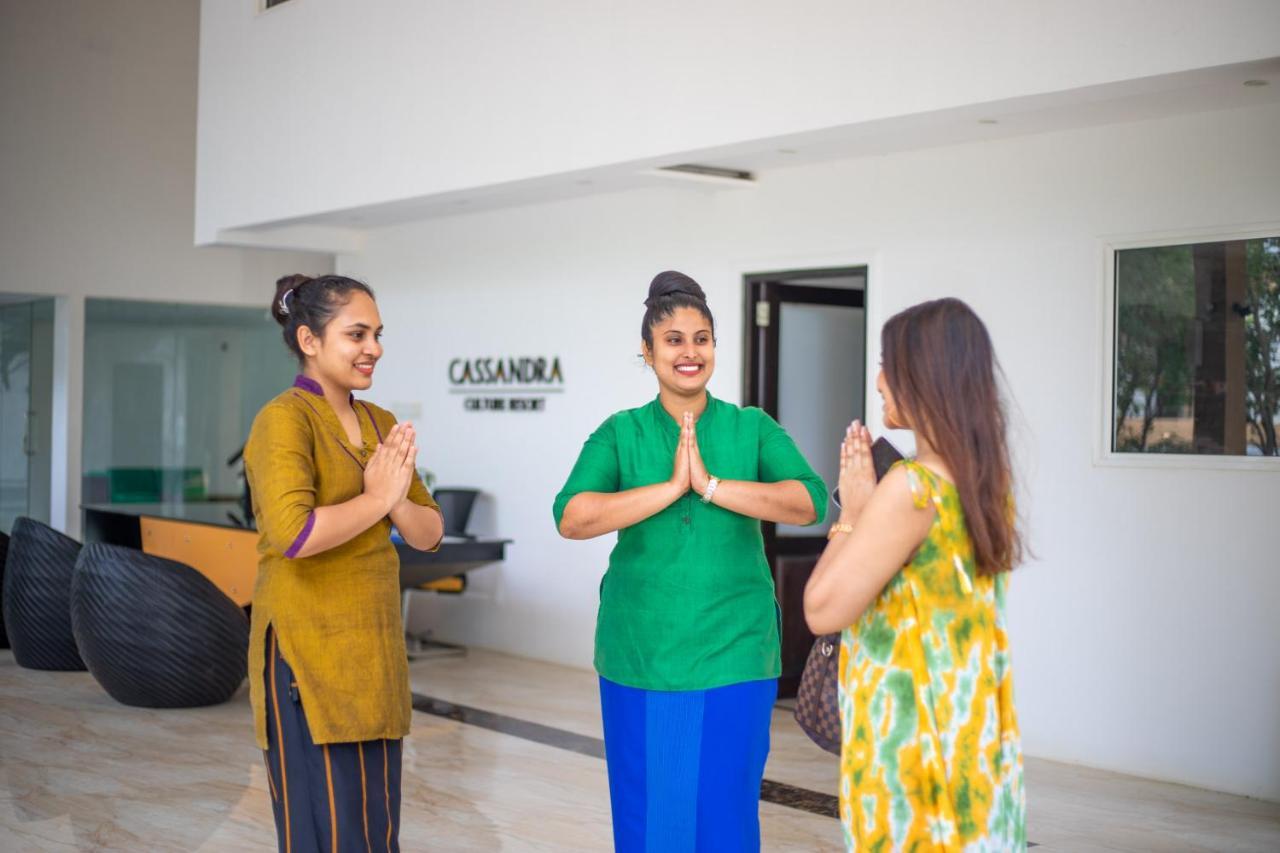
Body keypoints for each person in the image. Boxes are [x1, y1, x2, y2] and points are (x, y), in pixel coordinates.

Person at [554, 271, 828, 851]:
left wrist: (709, 485)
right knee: (649, 814)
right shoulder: (620, 433)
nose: (689, 352)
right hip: (640, 654)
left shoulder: (750, 427)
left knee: (724, 812)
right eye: (674, 339)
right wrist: (671, 487)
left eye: (701, 338)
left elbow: (809, 500)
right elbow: (572, 516)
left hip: (736, 651)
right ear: (647, 351)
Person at [804, 297, 1026, 851]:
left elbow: (822, 608)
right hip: (971, 749)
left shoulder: (911, 488)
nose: (879, 379)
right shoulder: (982, 485)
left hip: (912, 761)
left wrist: (853, 512)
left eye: (889, 362)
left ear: (924, 376)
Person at [244, 274, 444, 852]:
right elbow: (296, 534)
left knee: (375, 829)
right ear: (309, 339)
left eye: (377, 334)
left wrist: (396, 499)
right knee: (324, 826)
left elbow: (429, 533)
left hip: (373, 653)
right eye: (357, 333)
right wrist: (379, 499)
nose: (373, 347)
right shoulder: (283, 420)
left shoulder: (380, 421)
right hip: (307, 651)